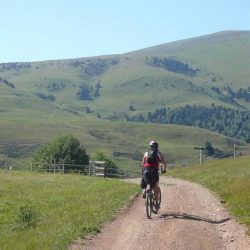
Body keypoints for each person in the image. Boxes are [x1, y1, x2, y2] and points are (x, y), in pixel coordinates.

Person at [140, 140, 167, 207]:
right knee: (156, 186)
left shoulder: (146, 153)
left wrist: (143, 170)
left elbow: (143, 163)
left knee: (145, 180)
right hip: (154, 170)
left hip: (146, 169)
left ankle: (144, 190)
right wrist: (164, 170)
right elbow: (165, 163)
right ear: (157, 146)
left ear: (150, 146)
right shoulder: (159, 153)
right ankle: (157, 203)